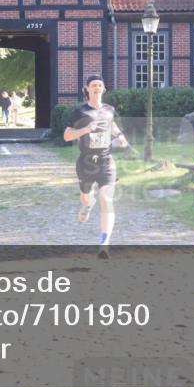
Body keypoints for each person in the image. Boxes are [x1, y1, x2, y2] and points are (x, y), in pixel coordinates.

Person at [64, 75, 129, 259]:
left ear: (103, 89)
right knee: (86, 196)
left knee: (106, 200)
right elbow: (67, 136)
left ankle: (104, 243)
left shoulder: (109, 110)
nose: (97, 87)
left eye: (100, 85)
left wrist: (120, 136)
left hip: (106, 162)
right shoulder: (80, 111)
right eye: (93, 85)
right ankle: (87, 204)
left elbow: (112, 125)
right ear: (87, 89)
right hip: (85, 162)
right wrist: (86, 129)